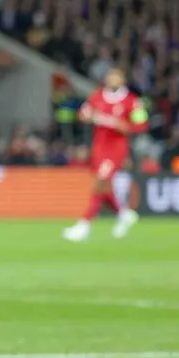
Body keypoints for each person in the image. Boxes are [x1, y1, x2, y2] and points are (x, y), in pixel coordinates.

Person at [62, 68, 147, 241]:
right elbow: (83, 114)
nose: (112, 79)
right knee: (104, 185)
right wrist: (85, 116)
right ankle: (122, 214)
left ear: (122, 80)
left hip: (116, 148)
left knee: (101, 181)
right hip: (99, 147)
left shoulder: (132, 101)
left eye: (116, 77)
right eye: (110, 76)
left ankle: (84, 225)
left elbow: (142, 124)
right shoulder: (97, 96)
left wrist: (127, 127)